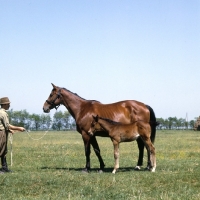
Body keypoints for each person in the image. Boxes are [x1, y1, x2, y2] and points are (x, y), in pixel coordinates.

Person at [0, 97, 25, 174]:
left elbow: (5, 126)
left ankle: (4, 168)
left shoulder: (1, 112)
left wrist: (9, 130)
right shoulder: (3, 113)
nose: (9, 105)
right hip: (1, 133)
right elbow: (7, 125)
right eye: (8, 103)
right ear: (5, 104)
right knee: (1, 150)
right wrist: (19, 128)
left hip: (3, 132)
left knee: (3, 151)